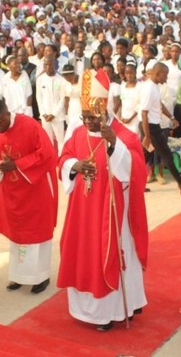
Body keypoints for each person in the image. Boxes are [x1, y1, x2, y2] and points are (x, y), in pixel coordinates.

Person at [58, 102, 148, 331]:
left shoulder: (124, 135)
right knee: (84, 252)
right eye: (84, 116)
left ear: (105, 113)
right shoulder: (78, 133)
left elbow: (137, 171)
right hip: (82, 210)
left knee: (110, 252)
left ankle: (114, 311)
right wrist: (74, 165)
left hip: (112, 211)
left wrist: (114, 144)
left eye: (92, 117)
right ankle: (86, 310)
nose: (87, 122)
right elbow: (64, 157)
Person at [0, 99, 57, 294]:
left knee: (37, 231)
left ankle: (41, 276)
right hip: (11, 187)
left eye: (0, 121)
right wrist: (0, 163)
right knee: (16, 232)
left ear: (8, 113)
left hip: (35, 186)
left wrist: (18, 164)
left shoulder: (29, 125)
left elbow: (47, 153)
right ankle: (19, 275)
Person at [139, 63, 181, 188]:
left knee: (144, 156)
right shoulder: (149, 88)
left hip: (152, 126)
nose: (166, 78)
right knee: (165, 154)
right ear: (158, 74)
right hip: (150, 127)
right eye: (165, 75)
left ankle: (136, 184)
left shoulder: (154, 86)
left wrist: (171, 117)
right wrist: (147, 136)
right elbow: (144, 113)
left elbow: (159, 105)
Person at [36, 55, 66, 155]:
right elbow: (39, 98)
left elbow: (62, 99)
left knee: (60, 140)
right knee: (48, 140)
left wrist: (54, 114)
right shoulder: (40, 79)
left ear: (55, 65)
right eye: (46, 65)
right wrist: (44, 113)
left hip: (57, 115)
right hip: (45, 116)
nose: (48, 67)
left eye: (50, 64)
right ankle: (50, 159)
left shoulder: (61, 79)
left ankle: (61, 159)